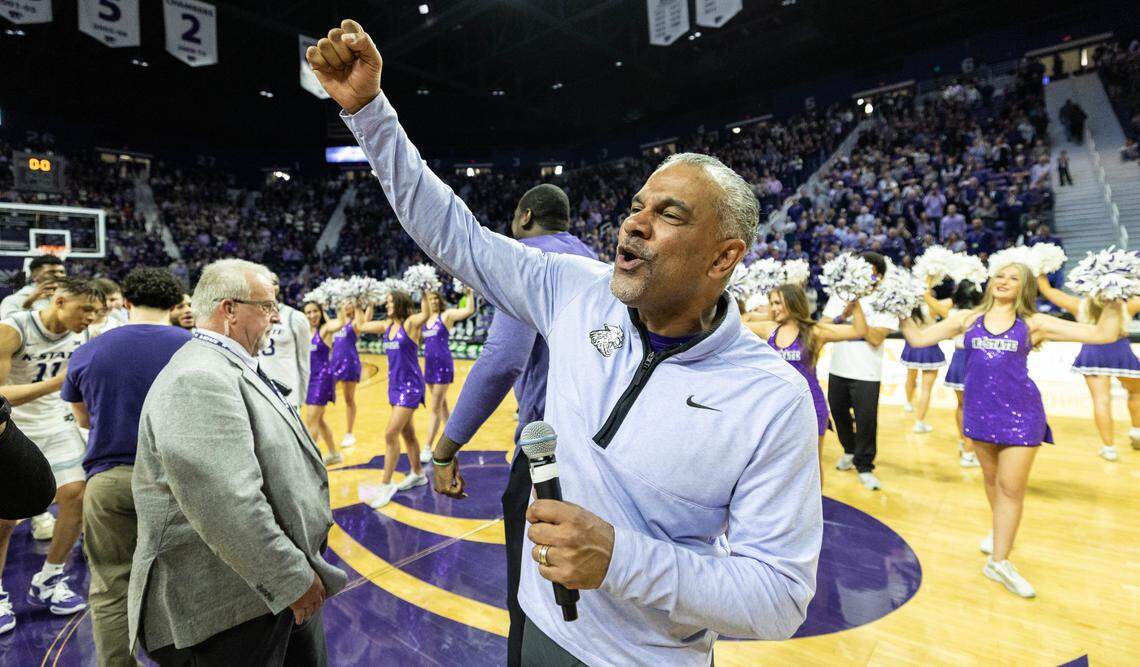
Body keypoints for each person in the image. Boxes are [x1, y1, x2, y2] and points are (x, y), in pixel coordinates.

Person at [311, 22, 820, 664]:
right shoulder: (573, 289)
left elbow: (779, 599)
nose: (635, 221)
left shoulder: (771, 397)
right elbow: (453, 233)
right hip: (538, 623)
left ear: (724, 257)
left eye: (669, 214)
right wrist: (368, 112)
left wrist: (620, 559)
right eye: (638, 205)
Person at [129, 259, 346, 665]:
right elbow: (228, 503)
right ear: (229, 310)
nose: (277, 316)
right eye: (267, 306)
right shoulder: (199, 378)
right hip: (230, 605)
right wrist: (290, 578)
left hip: (260, 591)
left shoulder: (226, 365)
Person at [431, 183, 597, 667]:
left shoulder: (530, 261)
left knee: (530, 596)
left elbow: (503, 360)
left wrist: (445, 449)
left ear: (524, 217)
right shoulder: (597, 264)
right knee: (582, 597)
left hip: (548, 461)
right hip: (601, 451)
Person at [900, 262, 1121, 598]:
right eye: (999, 276)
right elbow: (917, 339)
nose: (1003, 281)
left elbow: (1103, 334)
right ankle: (999, 533)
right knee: (992, 483)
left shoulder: (1033, 323)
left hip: (1022, 415)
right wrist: (898, 306)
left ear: (1024, 287)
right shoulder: (967, 319)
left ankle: (1000, 562)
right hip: (979, 413)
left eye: (1013, 278)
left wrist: (1114, 296)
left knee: (1011, 489)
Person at [60, 268, 190, 666]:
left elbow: (82, 420)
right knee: (187, 582)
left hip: (109, 479)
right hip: (177, 481)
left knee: (111, 585)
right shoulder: (196, 346)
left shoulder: (89, 350)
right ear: (174, 305)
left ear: (126, 302)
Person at [0, 277, 103, 625]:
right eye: (85, 308)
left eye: (97, 311)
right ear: (59, 301)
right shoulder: (13, 330)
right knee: (6, 519)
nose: (90, 317)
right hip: (12, 426)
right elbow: (0, 395)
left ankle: (49, 578)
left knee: (77, 495)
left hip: (55, 422)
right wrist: (58, 383)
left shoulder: (85, 335)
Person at [743, 284, 868, 481]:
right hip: (776, 408)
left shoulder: (815, 331)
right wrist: (746, 303)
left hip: (810, 405)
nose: (774, 308)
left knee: (812, 466)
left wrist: (855, 302)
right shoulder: (769, 329)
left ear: (793, 303)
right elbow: (734, 323)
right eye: (771, 303)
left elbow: (859, 331)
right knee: (777, 464)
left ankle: (814, 511)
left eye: (778, 303)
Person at [1036, 274, 1140, 461]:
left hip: (1093, 352)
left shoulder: (1079, 305)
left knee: (1101, 400)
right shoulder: (1127, 305)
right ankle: (1137, 431)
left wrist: (1040, 269)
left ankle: (1109, 448)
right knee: (1136, 391)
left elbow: (1048, 291)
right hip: (1120, 350)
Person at [822, 252, 898, 490]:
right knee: (838, 413)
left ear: (880, 276)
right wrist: (841, 315)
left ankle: (865, 465)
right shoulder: (838, 296)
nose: (866, 276)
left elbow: (875, 338)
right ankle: (849, 450)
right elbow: (822, 328)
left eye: (872, 271)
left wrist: (855, 310)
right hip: (838, 369)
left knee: (866, 421)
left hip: (867, 373)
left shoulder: (887, 302)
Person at [357, 290, 429, 508]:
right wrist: (361, 301)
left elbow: (425, 314)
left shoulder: (410, 325)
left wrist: (424, 288)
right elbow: (361, 325)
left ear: (399, 303)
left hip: (410, 387)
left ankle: (386, 483)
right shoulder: (387, 326)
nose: (387, 305)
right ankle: (417, 473)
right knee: (408, 434)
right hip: (394, 387)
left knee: (390, 433)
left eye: (390, 302)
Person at [924, 280, 984, 467]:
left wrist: (929, 278)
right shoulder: (985, 314)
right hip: (976, 360)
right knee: (975, 408)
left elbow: (927, 298)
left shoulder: (952, 313)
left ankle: (963, 441)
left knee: (961, 405)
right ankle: (968, 451)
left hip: (959, 358)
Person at [417, 287, 476, 463]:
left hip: (443, 365)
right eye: (430, 299)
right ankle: (452, 442)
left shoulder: (447, 315)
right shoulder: (424, 319)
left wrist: (469, 294)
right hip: (429, 367)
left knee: (434, 407)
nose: (433, 301)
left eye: (436, 298)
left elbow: (468, 311)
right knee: (441, 406)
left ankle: (427, 446)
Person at [302, 301, 347, 465]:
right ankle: (334, 454)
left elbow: (341, 322)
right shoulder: (305, 332)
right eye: (308, 312)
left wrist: (338, 304)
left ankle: (310, 462)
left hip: (322, 378)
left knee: (310, 420)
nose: (312, 315)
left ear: (321, 312)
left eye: (315, 311)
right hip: (310, 379)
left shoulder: (325, 330)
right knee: (319, 421)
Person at [259, 274, 311, 411]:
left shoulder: (294, 317)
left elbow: (304, 361)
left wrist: (302, 396)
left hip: (288, 393)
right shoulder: (251, 317)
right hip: (260, 393)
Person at [900, 302, 947, 434]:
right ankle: (919, 423)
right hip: (929, 347)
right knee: (926, 388)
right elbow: (944, 312)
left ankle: (908, 404)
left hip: (912, 345)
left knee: (910, 377)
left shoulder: (907, 303)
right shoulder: (931, 305)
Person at [329, 300, 364, 449]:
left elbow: (364, 320)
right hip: (334, 363)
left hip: (349, 362)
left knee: (349, 399)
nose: (347, 305)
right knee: (323, 395)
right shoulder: (335, 323)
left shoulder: (355, 323)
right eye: (344, 303)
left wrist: (361, 305)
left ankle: (349, 434)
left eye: (350, 303)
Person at [0, 254, 66, 319]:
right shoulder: (13, 300)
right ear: (34, 276)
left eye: (62, 272)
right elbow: (9, 326)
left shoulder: (67, 298)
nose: (59, 275)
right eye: (51, 272)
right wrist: (28, 303)